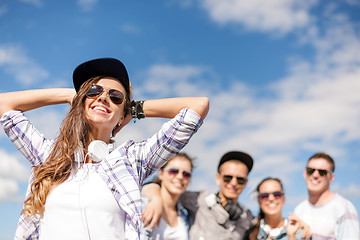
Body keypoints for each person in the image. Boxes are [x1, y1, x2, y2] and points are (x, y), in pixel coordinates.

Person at [0, 57, 209, 240]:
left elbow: (198, 106)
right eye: (93, 91)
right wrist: (70, 95)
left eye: (115, 96)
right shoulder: (48, 155)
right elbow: (3, 103)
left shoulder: (132, 160)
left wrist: (135, 108)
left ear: (122, 115)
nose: (103, 97)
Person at [142, 150, 255, 239]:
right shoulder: (198, 199)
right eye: (227, 178)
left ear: (246, 183)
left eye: (240, 180)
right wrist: (156, 198)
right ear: (218, 178)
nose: (233, 183)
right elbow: (165, 190)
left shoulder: (248, 218)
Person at [294, 152, 360, 240]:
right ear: (305, 173)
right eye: (311, 170)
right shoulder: (299, 210)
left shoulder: (344, 209)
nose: (315, 175)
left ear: (331, 177)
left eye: (322, 172)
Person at [141, 153, 194, 240]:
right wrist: (156, 198)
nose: (180, 177)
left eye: (186, 174)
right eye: (173, 171)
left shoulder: (184, 214)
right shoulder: (145, 205)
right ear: (161, 174)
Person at [246, 177, 311, 240]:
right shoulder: (248, 231)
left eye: (276, 194)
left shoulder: (299, 232)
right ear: (259, 201)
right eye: (265, 195)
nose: (271, 198)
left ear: (283, 198)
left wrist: (291, 237)